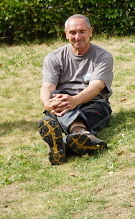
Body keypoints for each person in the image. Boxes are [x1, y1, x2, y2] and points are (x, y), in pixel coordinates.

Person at [38, 14, 114, 166]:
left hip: (93, 102)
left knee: (91, 109)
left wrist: (75, 100)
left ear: (91, 32)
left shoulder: (103, 56)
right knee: (56, 97)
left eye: (82, 31)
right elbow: (47, 86)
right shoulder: (53, 57)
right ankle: (81, 135)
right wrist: (47, 104)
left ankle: (63, 144)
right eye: (72, 33)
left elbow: (97, 86)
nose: (77, 37)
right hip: (62, 103)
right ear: (66, 34)